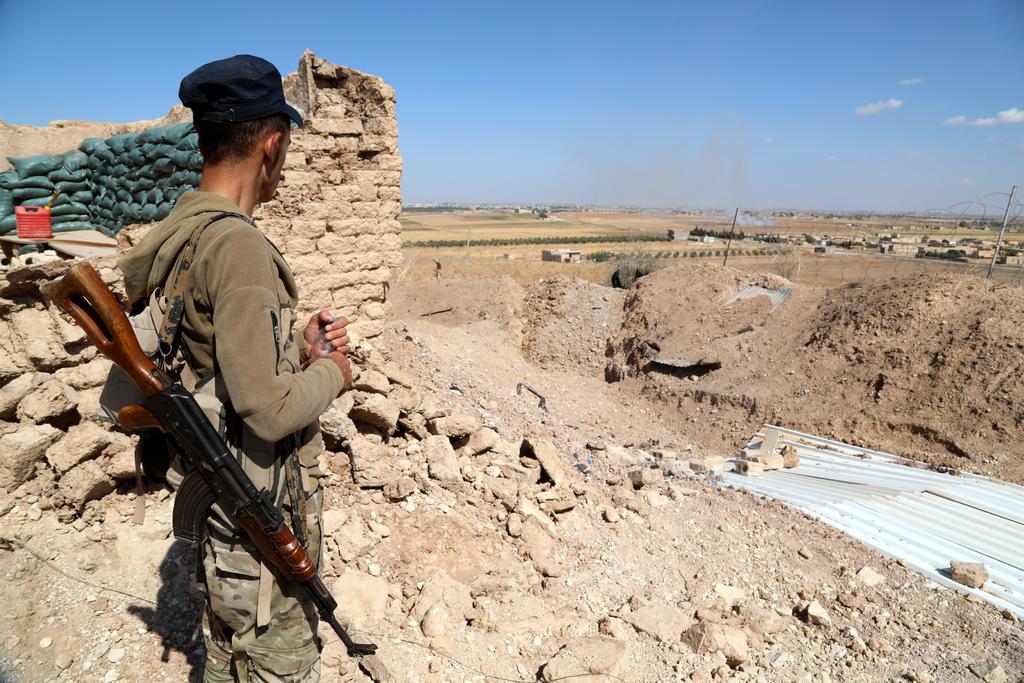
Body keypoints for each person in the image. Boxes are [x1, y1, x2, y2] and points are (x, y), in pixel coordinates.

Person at [119, 54, 352, 682]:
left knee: (227, 649)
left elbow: (209, 357)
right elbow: (267, 410)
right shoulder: (239, 246)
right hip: (253, 507)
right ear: (271, 145)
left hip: (218, 500)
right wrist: (334, 371)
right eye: (286, 149)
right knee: (274, 658)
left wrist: (295, 347)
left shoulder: (185, 230)